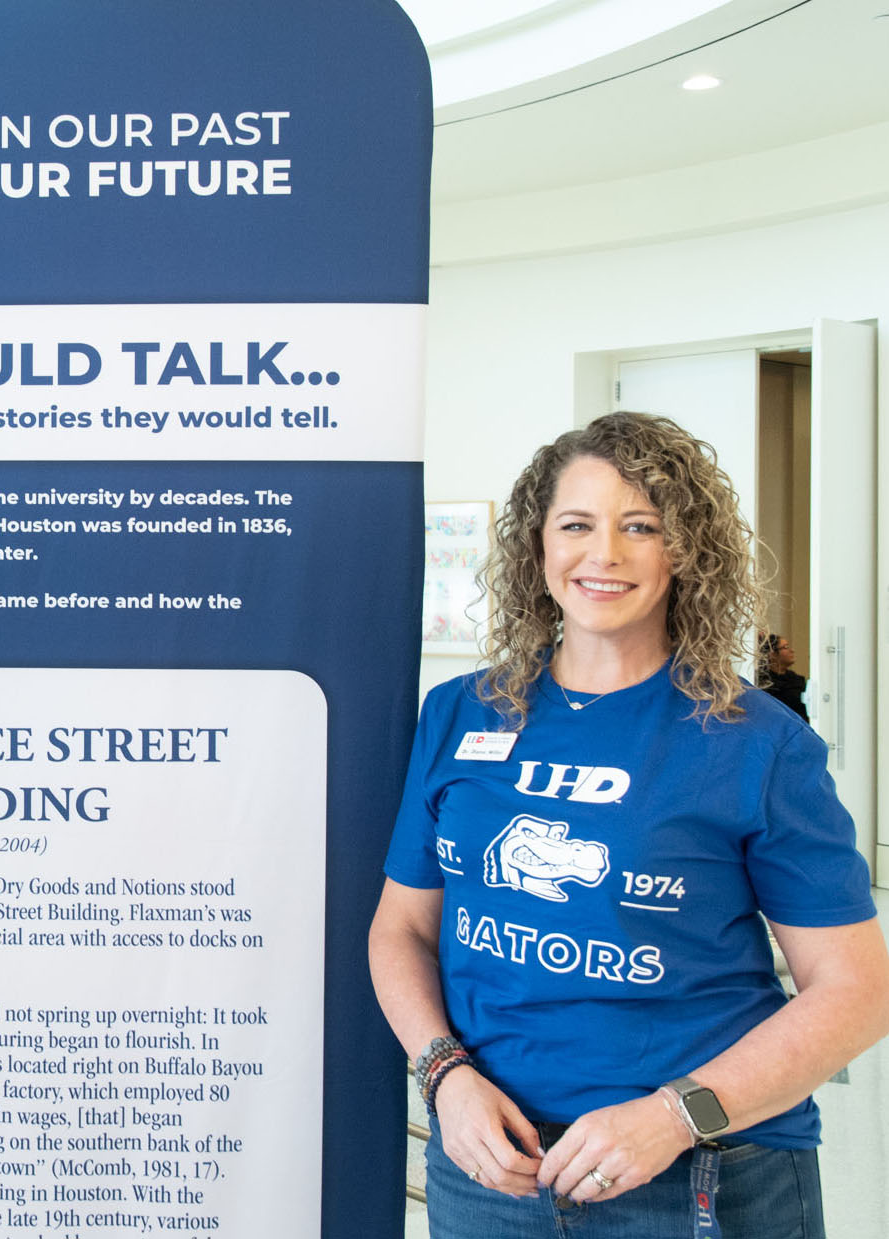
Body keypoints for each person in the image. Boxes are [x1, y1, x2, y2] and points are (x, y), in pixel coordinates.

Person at [369, 413, 889, 1237]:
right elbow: (400, 928)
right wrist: (444, 1076)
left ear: (684, 551)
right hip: (489, 1166)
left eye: (639, 526)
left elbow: (858, 992)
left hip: (702, 1173)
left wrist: (675, 1117)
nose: (603, 553)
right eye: (576, 524)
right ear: (538, 548)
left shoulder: (757, 742)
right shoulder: (459, 712)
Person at [760, 633, 810, 722]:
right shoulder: (763, 682)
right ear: (772, 654)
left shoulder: (797, 679)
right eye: (786, 647)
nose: (792, 650)